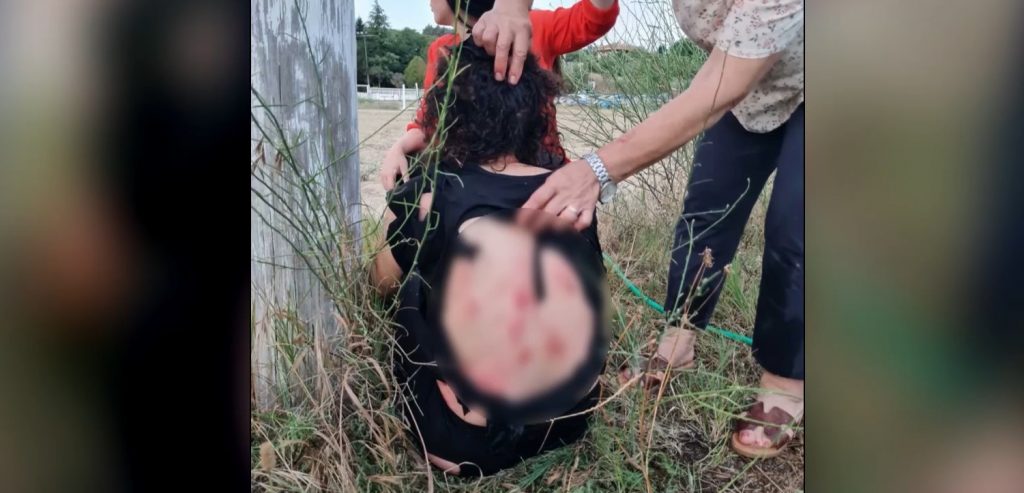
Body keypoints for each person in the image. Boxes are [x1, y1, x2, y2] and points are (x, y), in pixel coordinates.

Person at [520, 0, 805, 459]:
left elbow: (718, 90)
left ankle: (785, 383)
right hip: (745, 83)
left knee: (796, 224)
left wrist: (597, 169)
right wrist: (513, 10)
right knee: (706, 207)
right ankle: (678, 340)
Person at [370, 40, 608, 476]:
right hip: (571, 418)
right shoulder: (570, 189)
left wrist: (399, 213)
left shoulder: (435, 192)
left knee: (411, 279)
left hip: (464, 441)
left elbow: (381, 283)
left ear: (448, 113)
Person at [379, 0, 619, 189]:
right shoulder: (441, 50)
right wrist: (398, 148)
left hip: (542, 177)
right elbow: (431, 125)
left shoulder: (534, 26)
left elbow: (595, 16)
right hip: (470, 182)